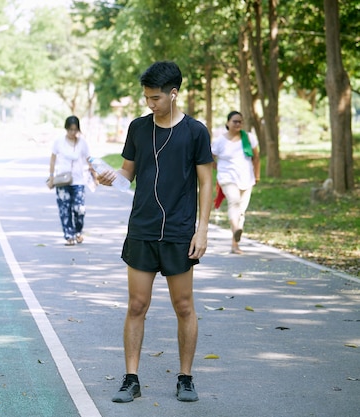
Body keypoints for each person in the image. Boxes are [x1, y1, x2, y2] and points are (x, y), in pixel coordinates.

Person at [96, 61, 213, 403]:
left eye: (156, 98)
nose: (150, 103)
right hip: (142, 229)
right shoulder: (137, 128)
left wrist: (201, 230)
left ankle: (186, 378)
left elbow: (206, 182)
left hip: (179, 232)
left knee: (184, 306)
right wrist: (108, 178)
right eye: (147, 97)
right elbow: (127, 175)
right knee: (136, 305)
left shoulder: (196, 132)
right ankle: (131, 379)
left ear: (174, 94)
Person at [212, 111, 260, 254]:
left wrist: (257, 176)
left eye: (240, 121)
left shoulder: (249, 138)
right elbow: (210, 158)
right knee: (234, 202)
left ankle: (235, 245)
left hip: (247, 178)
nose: (238, 124)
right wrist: (219, 168)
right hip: (227, 179)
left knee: (241, 211)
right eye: (235, 121)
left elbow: (256, 158)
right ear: (228, 123)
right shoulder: (220, 141)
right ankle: (236, 229)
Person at [47, 115, 93, 246]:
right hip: (62, 180)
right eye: (70, 129)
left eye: (75, 129)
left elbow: (89, 158)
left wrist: (94, 175)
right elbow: (53, 158)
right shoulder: (59, 141)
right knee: (64, 209)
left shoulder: (82, 143)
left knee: (80, 209)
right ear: (66, 129)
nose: (73, 132)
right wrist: (51, 177)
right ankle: (69, 236)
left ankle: (78, 231)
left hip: (78, 181)